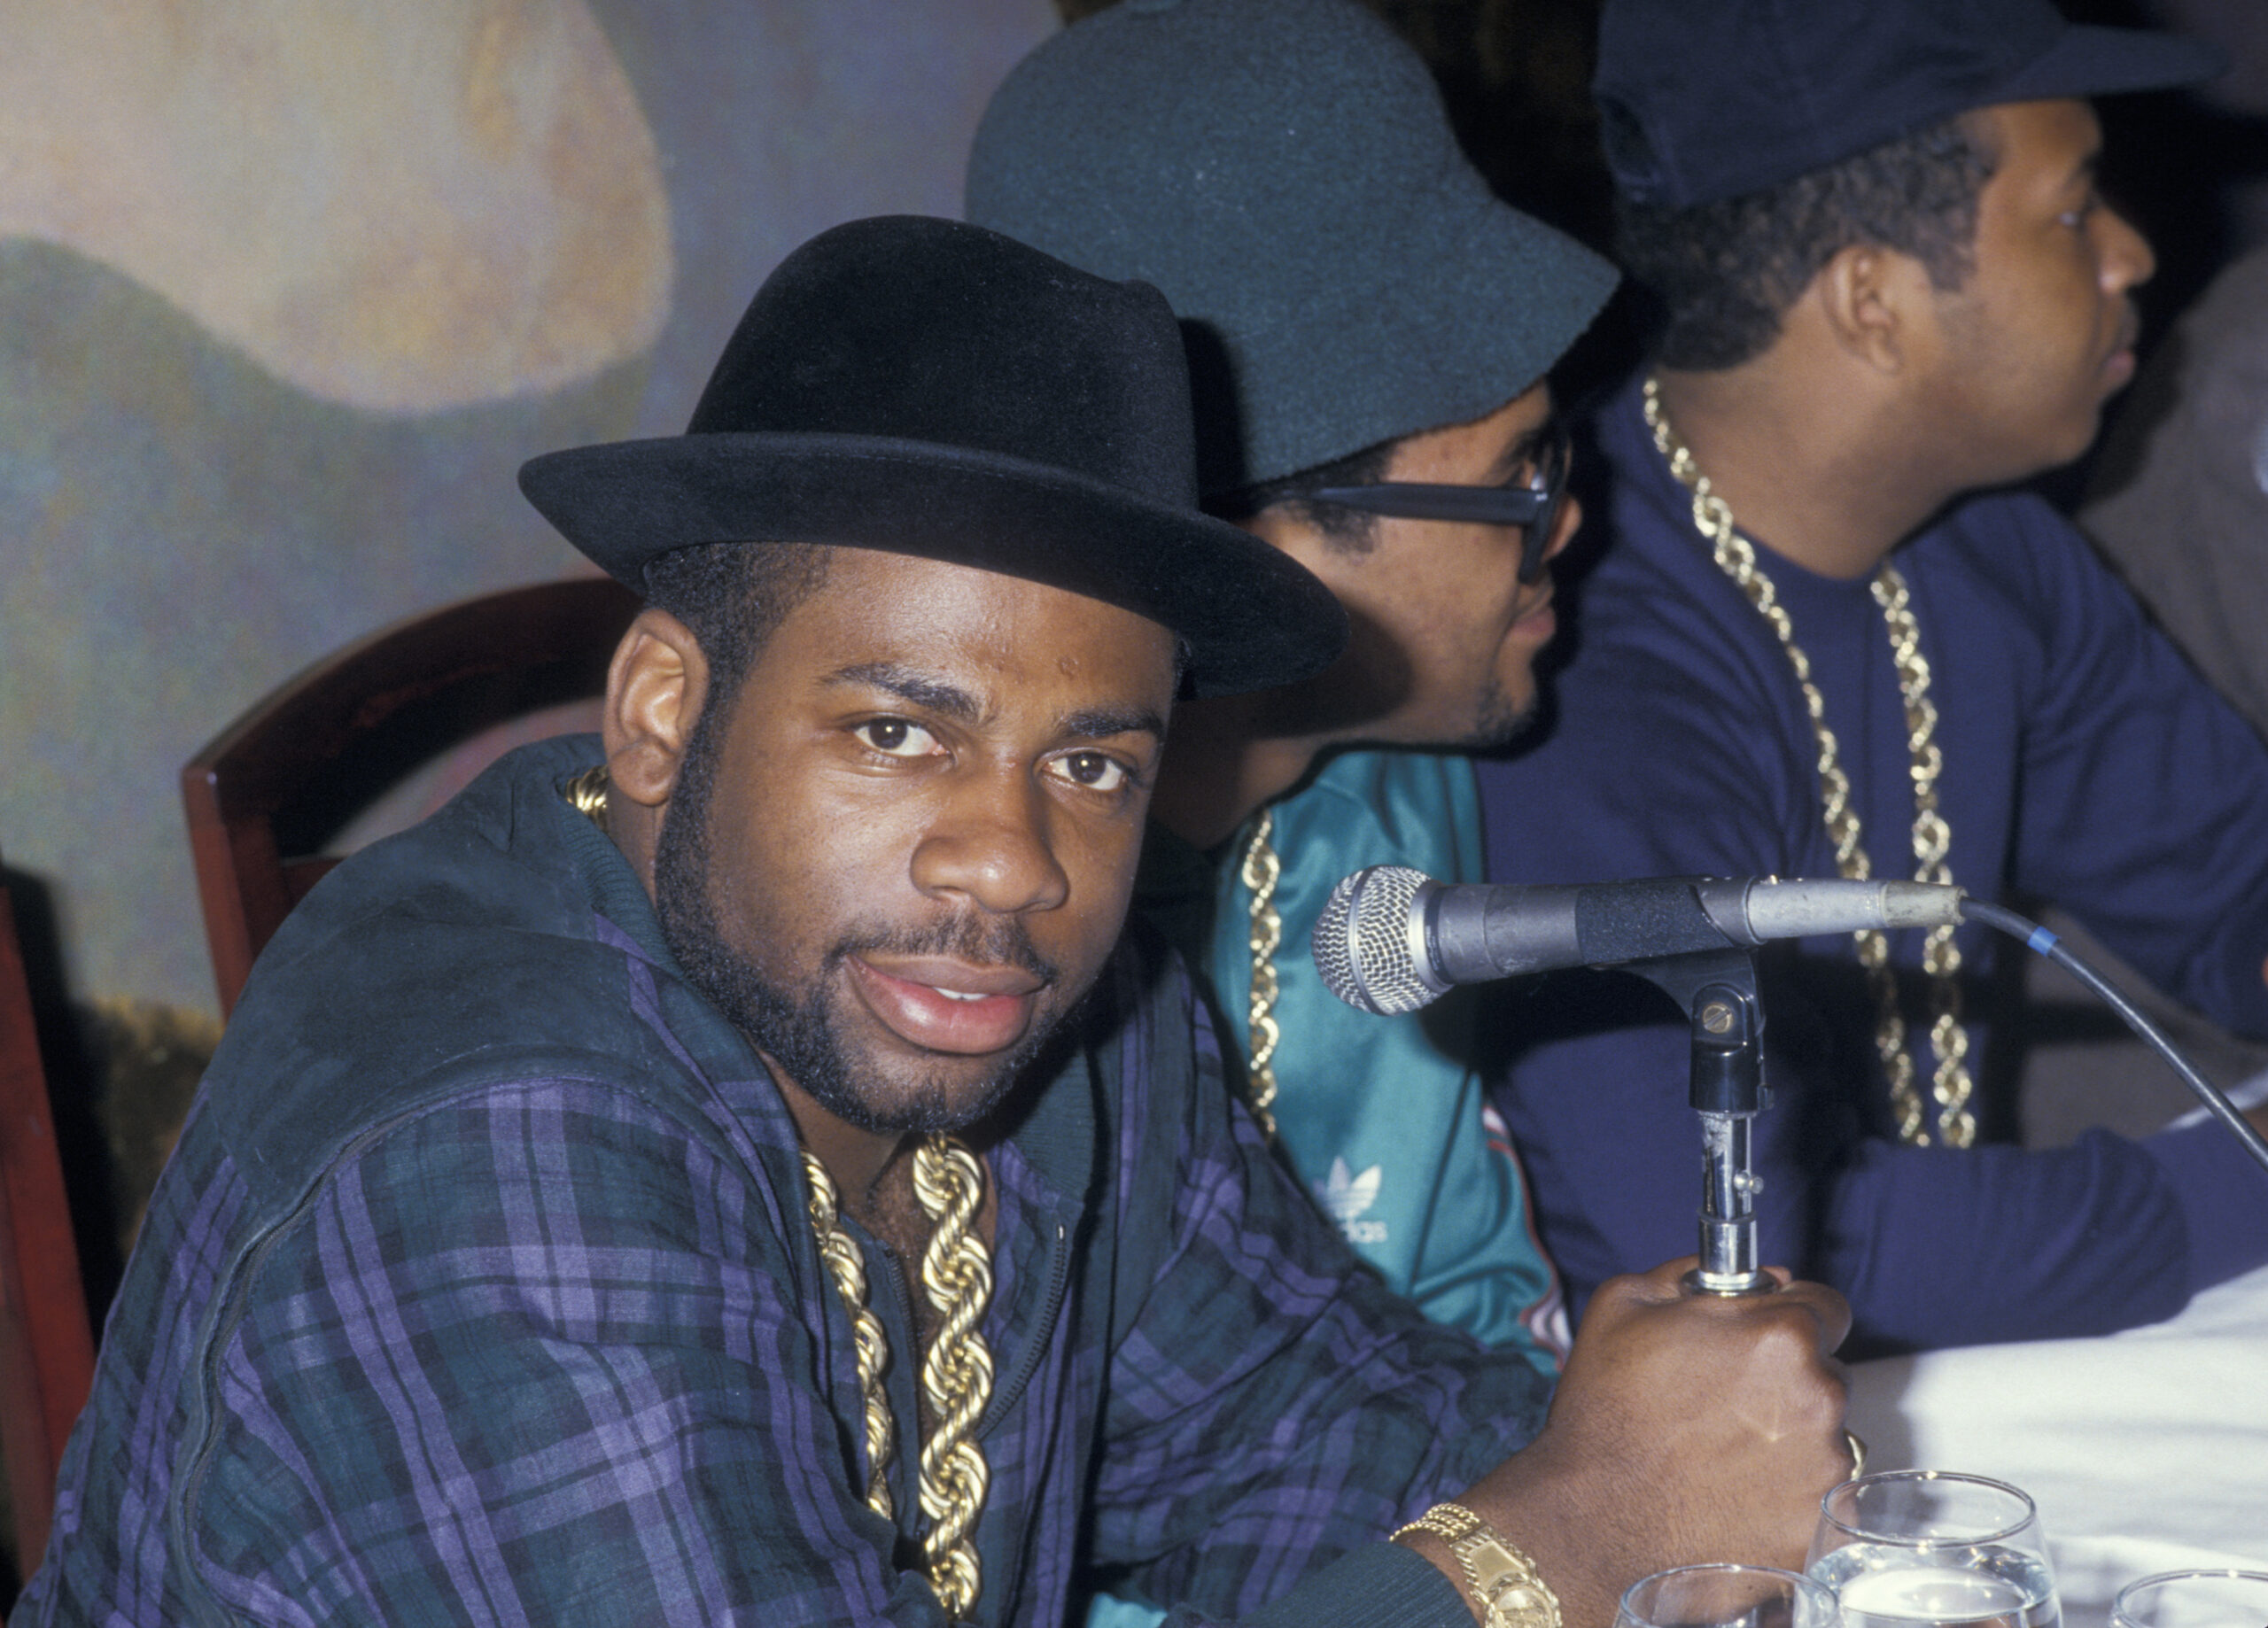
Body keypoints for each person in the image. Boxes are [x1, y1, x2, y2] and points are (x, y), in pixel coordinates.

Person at [16, 216, 1852, 1626]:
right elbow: (1531, 1522)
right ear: (662, 715)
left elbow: (1296, 1436)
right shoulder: (501, 1142)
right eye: (898, 731)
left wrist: (1659, 1444)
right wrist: (1569, 1531)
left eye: (1096, 762)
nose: (1013, 863)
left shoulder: (1046, 1023)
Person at [1475, 0, 2268, 1355]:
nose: (2134, 252)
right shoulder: (1576, 659)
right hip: (1654, 1485)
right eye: (2074, 211)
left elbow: (2229, 885)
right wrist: (2238, 1179)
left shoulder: (1981, 548)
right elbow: (1733, 1248)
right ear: (1873, 300)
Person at [965, 0, 1617, 1371]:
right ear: (1261, 542)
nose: (1567, 524)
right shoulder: (984, 931)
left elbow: (1483, 1306)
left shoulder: (1396, 789)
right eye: (1522, 474)